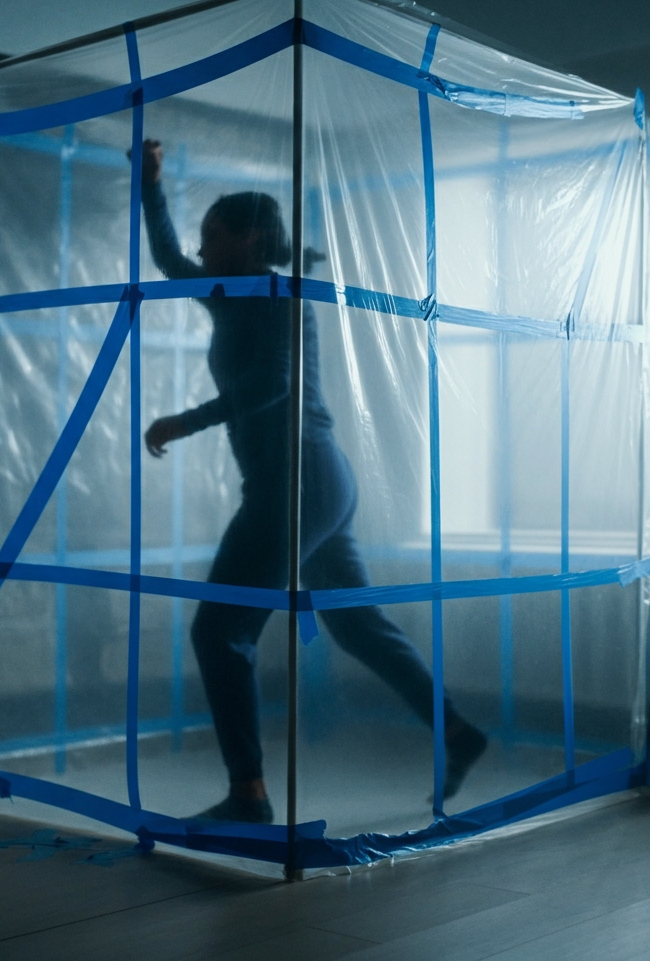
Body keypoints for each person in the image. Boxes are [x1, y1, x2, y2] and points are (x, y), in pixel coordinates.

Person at [138, 139, 487, 824]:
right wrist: (150, 185)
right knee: (356, 628)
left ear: (249, 241)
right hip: (314, 482)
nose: (202, 251)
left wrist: (186, 419)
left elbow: (270, 387)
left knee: (219, 632)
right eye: (203, 238)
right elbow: (168, 260)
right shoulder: (228, 296)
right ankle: (458, 732)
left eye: (214, 237)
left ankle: (249, 795)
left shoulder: (281, 300)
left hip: (296, 484)